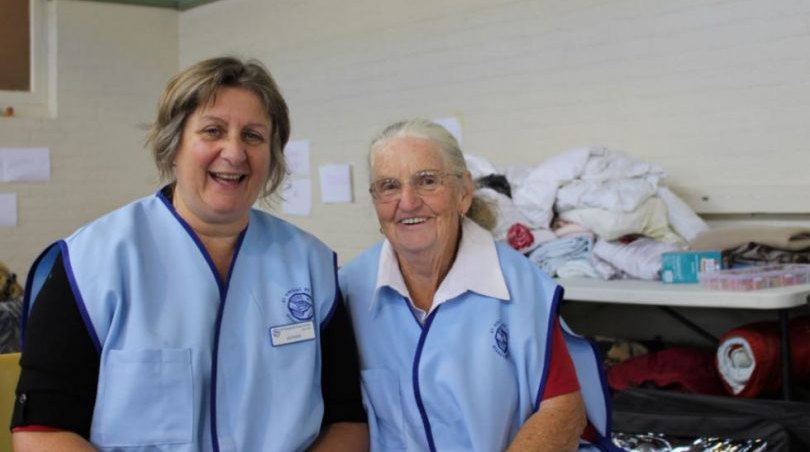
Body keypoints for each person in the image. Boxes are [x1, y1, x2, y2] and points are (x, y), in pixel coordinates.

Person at [12, 57, 369, 451]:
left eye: (253, 136)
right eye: (212, 131)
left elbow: (347, 420)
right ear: (173, 145)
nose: (234, 153)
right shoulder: (91, 262)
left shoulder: (310, 264)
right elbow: (41, 432)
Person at [339, 119, 619, 452]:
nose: (408, 201)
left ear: (463, 193)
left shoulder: (519, 285)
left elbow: (562, 408)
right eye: (389, 186)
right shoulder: (348, 289)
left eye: (427, 181)